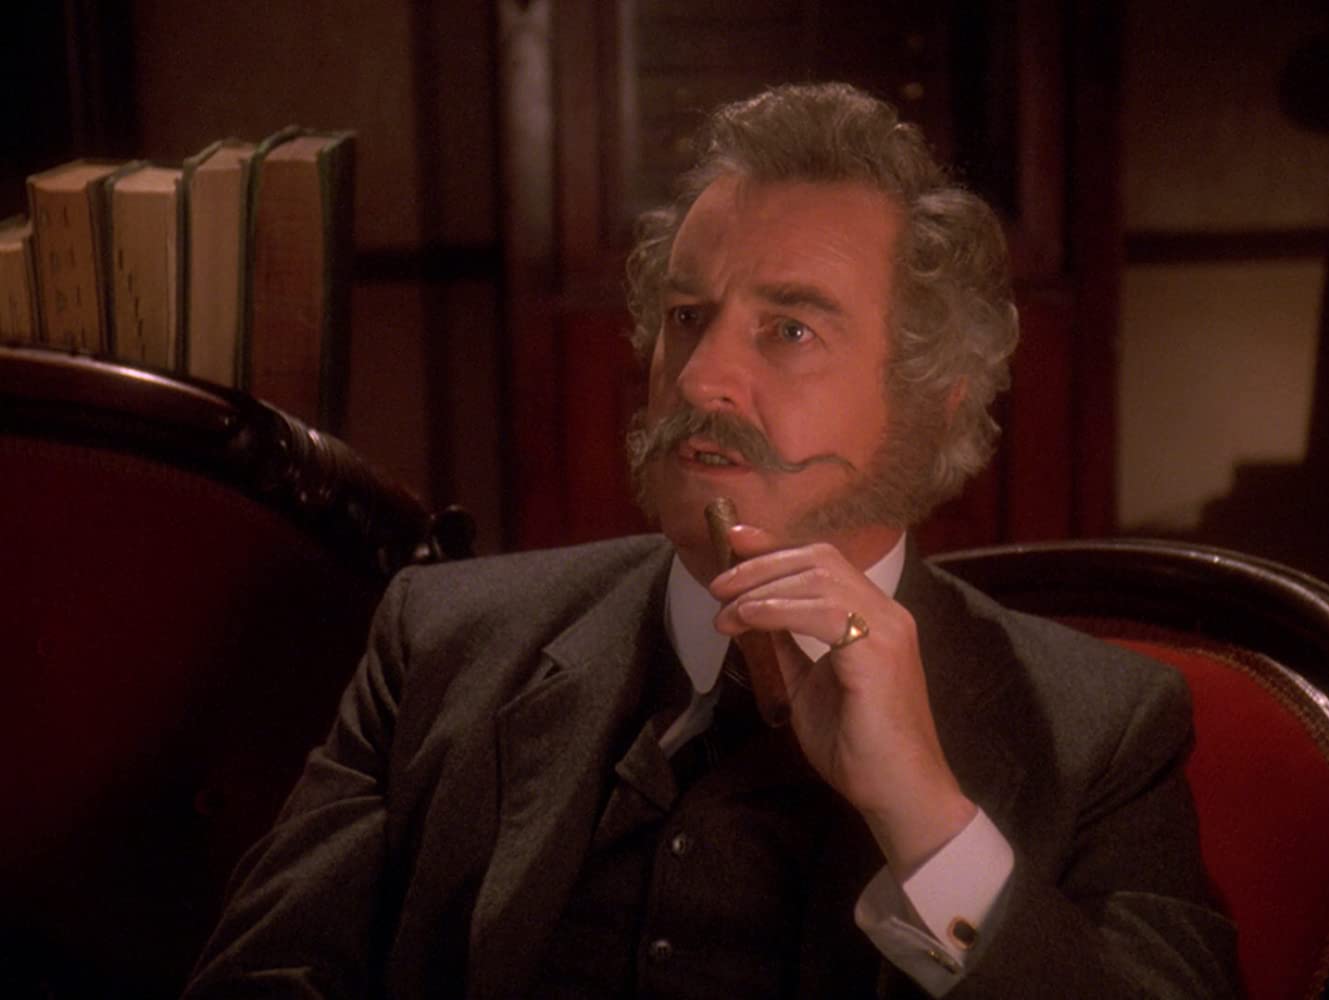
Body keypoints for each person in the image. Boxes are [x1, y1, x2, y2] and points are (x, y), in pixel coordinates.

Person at [184, 83, 1238, 998]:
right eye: (687, 317)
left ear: (931, 400)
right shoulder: (439, 640)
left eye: (790, 329)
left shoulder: (1103, 731)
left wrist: (928, 820)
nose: (698, 381)